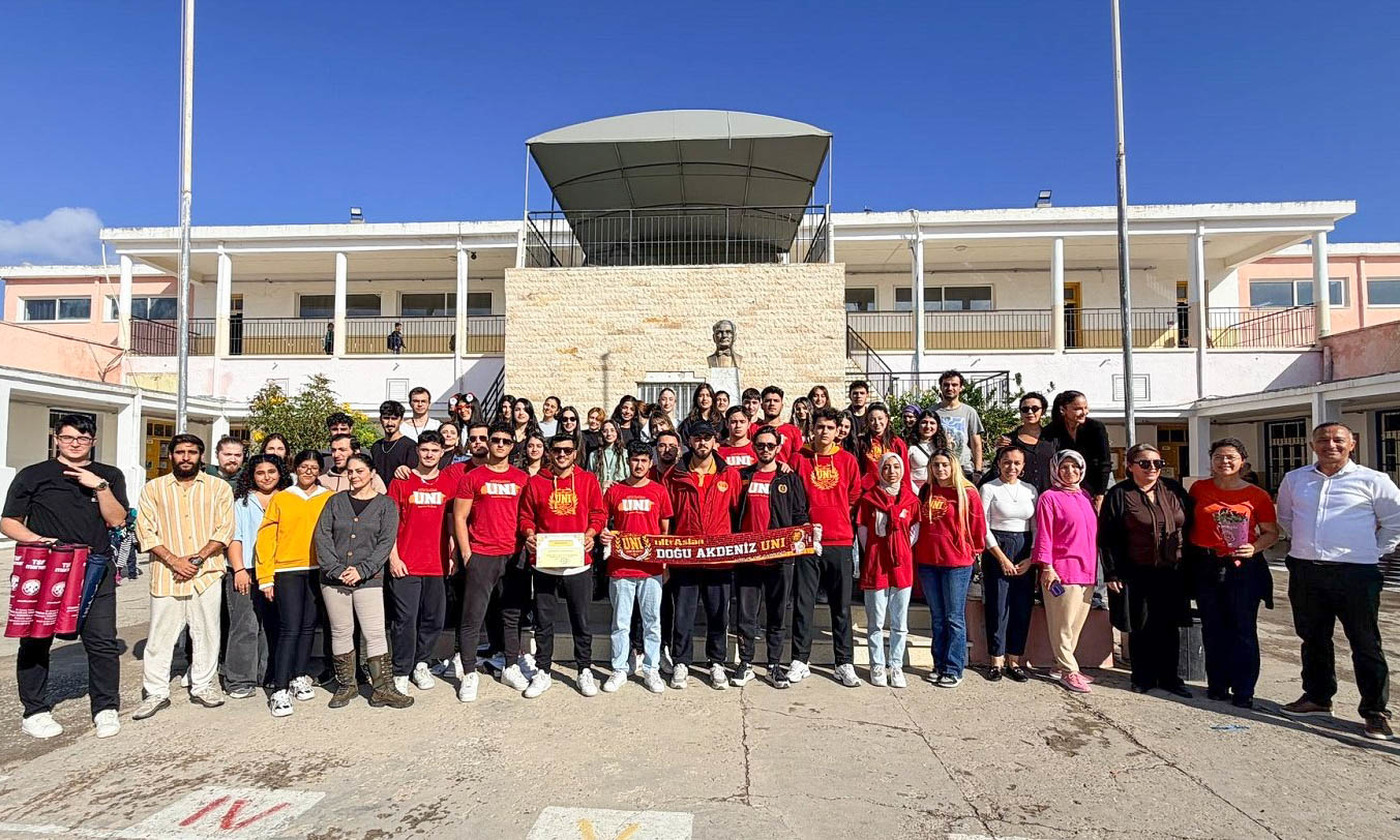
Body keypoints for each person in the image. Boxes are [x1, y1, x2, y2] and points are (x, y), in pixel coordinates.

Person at [4, 415, 129, 740]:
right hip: (46, 567)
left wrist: (99, 486)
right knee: (36, 639)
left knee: (102, 641)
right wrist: (37, 540)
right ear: (56, 439)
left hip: (95, 567)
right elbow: (9, 521)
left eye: (82, 438)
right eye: (68, 437)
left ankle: (105, 707)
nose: (75, 443)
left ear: (93, 441)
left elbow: (117, 520)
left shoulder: (109, 475)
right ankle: (35, 711)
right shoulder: (33, 475)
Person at [1276, 422, 1400, 740]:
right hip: (1306, 570)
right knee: (1313, 638)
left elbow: (1394, 523)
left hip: (1356, 573)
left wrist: (1371, 551)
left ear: (1352, 444)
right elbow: (1286, 518)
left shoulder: (1374, 481)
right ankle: (1318, 697)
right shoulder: (1295, 479)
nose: (1330, 445)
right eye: (1323, 440)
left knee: (1365, 642)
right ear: (1312, 445)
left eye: (1338, 440)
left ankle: (1375, 711)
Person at [131, 434, 235, 720]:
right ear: (171, 455)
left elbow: (225, 529)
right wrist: (174, 560)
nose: (186, 457)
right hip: (167, 574)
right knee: (160, 635)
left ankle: (203, 685)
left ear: (201, 456)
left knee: (207, 632)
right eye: (180, 452)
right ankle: (155, 691)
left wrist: (197, 558)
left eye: (192, 452)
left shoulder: (218, 488)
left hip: (206, 572)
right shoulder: (153, 489)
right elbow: (145, 531)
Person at [1188, 438, 1280, 710]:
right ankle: (1217, 684)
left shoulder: (1257, 495)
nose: (1224, 462)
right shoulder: (1199, 489)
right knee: (1213, 627)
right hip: (1206, 566)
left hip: (1242, 568)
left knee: (1242, 629)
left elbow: (1271, 532)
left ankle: (1244, 688)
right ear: (1211, 461)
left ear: (1243, 462)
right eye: (1218, 457)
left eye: (1230, 457)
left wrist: (1254, 547)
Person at [315, 453, 408, 709]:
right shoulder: (335, 502)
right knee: (341, 630)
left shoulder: (386, 505)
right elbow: (322, 536)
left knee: (374, 632)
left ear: (372, 473)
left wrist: (362, 570)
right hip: (334, 579)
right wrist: (336, 569)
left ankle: (382, 688)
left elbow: (385, 543)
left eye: (360, 471)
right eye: (350, 472)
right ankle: (347, 685)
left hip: (369, 579)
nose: (354, 476)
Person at [1099, 443, 1193, 697]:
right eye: (1145, 463)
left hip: (1172, 570)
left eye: (1157, 463)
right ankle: (1143, 676)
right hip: (1135, 571)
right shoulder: (1119, 494)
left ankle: (1170, 677)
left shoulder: (1173, 489)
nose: (1152, 468)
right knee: (1141, 625)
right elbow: (1107, 537)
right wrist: (1111, 572)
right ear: (1130, 466)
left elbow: (1189, 526)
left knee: (1169, 625)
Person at [519, 434, 607, 698]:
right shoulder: (536, 482)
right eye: (557, 450)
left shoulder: (588, 480)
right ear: (549, 452)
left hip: (578, 564)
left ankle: (584, 668)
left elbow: (598, 513)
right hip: (545, 564)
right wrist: (529, 534)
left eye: (567, 450)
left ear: (575, 453)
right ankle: (543, 670)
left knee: (581, 621)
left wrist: (591, 534)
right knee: (543, 623)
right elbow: (525, 516)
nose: (562, 455)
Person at [454, 422, 532, 699]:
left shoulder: (522, 478)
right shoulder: (473, 477)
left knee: (511, 616)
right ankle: (469, 673)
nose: (499, 445)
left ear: (513, 446)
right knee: (472, 617)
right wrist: (466, 553)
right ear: (488, 443)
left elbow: (529, 516)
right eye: (495, 440)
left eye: (505, 441)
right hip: (482, 554)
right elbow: (460, 517)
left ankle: (510, 666)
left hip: (514, 555)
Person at [256, 450, 334, 717]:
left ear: (320, 470)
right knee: (290, 628)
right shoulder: (282, 498)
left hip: (317, 569)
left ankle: (299, 676)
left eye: (313, 467)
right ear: (295, 469)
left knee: (308, 627)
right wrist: (266, 577)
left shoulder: (328, 497)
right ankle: (280, 688)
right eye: (303, 466)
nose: (308, 471)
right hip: (287, 570)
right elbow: (266, 538)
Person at [665, 422, 741, 690]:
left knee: (718, 614)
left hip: (719, 558)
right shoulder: (675, 475)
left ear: (715, 441)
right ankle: (681, 662)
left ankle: (716, 662)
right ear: (689, 441)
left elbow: (737, 512)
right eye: (697, 438)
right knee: (683, 614)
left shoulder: (729, 474)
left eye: (707, 438)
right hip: (685, 557)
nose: (702, 443)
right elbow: (668, 517)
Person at [790, 407, 862, 688]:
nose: (824, 432)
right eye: (820, 426)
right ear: (813, 428)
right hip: (808, 542)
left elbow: (854, 496)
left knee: (841, 606)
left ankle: (844, 663)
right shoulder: (800, 458)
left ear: (837, 431)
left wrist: (839, 516)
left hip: (840, 540)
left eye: (830, 428)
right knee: (803, 603)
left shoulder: (847, 460)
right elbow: (793, 493)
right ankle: (800, 660)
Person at [734, 426, 809, 688]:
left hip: (780, 558)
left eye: (770, 445)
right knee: (746, 615)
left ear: (778, 448)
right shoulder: (743, 476)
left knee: (777, 614)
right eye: (760, 445)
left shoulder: (789, 477)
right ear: (753, 447)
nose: (765, 449)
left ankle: (774, 665)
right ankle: (745, 663)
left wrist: (802, 538)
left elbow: (800, 514)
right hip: (748, 557)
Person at [600, 440, 674, 693]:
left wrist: (664, 564)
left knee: (652, 621)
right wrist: (603, 534)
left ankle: (651, 669)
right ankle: (620, 668)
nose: (639, 465)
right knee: (621, 622)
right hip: (620, 568)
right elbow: (601, 521)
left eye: (644, 460)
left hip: (651, 569)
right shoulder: (615, 491)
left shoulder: (659, 491)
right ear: (628, 461)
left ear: (650, 463)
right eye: (635, 460)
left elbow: (664, 531)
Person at [386, 431, 454, 697]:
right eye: (424, 450)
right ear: (417, 451)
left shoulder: (448, 482)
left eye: (434, 450)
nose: (429, 455)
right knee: (405, 620)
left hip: (437, 564)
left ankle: (421, 664)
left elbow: (452, 520)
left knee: (434, 619)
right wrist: (393, 557)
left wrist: (452, 554)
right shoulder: (401, 481)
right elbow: (390, 525)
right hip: (406, 563)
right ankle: (401, 670)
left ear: (442, 453)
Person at [913, 450, 986, 688]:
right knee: (937, 617)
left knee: (954, 618)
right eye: (936, 465)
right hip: (928, 561)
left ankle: (953, 668)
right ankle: (939, 664)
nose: (940, 469)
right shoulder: (927, 490)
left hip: (956, 563)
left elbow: (978, 527)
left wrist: (973, 551)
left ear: (953, 466)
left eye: (945, 464)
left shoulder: (967, 492)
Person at [1032, 449, 1100, 693]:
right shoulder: (1049, 498)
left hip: (1087, 570)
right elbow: (1044, 534)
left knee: (1075, 625)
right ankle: (1069, 670)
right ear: (1055, 470)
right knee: (1062, 624)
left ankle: (1061, 665)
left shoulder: (1085, 496)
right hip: (1062, 570)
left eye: (1074, 467)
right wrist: (1047, 567)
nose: (1070, 472)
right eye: (1064, 467)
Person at [225, 454, 289, 700]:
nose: (266, 477)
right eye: (260, 473)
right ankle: (240, 679)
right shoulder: (242, 502)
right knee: (246, 625)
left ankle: (269, 674)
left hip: (279, 570)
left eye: (271, 472)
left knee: (274, 625)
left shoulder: (287, 498)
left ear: (280, 473)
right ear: (252, 475)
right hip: (248, 570)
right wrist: (239, 569)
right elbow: (235, 537)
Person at [857, 452, 919, 689]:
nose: (891, 472)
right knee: (876, 621)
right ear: (880, 471)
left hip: (901, 564)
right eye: (886, 467)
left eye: (896, 467)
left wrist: (898, 549)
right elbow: (863, 531)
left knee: (900, 622)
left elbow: (914, 532)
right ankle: (877, 664)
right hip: (876, 563)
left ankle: (896, 665)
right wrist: (877, 550)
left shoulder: (911, 501)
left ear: (902, 471)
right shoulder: (869, 499)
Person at [978, 447, 1037, 683]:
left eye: (1016, 463)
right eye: (1006, 462)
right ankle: (996, 660)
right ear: (999, 463)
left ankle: (1014, 660)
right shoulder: (989, 488)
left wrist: (1031, 557)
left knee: (1021, 606)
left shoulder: (1030, 490)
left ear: (1023, 466)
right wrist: (1001, 557)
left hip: (1024, 548)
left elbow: (1036, 526)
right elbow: (982, 526)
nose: (1011, 467)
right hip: (997, 548)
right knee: (998, 605)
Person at [1044, 391, 1112, 503]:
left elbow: (1104, 462)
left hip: (1098, 485)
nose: (1084, 412)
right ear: (1063, 410)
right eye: (1078, 409)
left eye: (1086, 407)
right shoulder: (1051, 431)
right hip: (1065, 488)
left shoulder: (1096, 428)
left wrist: (1100, 494)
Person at [995, 392, 1056, 492]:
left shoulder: (1052, 439)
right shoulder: (1008, 440)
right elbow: (998, 469)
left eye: (1035, 408)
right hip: (1019, 495)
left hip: (1048, 495)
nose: (1030, 412)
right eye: (1025, 409)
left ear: (1043, 411)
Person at [933, 371, 985, 481]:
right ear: (941, 387)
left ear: (961, 388)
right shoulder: (932, 412)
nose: (950, 388)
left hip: (964, 468)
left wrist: (978, 470)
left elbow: (976, 443)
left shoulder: (969, 412)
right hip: (940, 468)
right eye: (946, 385)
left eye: (954, 385)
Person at [857, 403, 909, 490]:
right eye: (872, 420)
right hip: (869, 490)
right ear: (867, 421)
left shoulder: (897, 443)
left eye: (880, 418)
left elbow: (905, 472)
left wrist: (905, 492)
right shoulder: (861, 442)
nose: (877, 423)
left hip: (892, 489)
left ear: (887, 419)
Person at [321, 434, 388, 494]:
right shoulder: (323, 481)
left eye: (342, 450)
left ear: (356, 452)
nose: (336, 455)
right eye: (333, 450)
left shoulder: (371, 478)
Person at [370, 400, 417, 484]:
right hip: (378, 491)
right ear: (380, 419)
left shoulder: (410, 446)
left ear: (401, 420)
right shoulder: (376, 446)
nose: (390, 423)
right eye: (386, 418)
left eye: (394, 418)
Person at [758, 386, 804, 464]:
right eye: (768, 401)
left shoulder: (793, 431)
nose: (772, 404)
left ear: (782, 406)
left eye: (776, 401)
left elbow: (798, 457)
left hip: (785, 471)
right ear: (762, 405)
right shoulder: (754, 429)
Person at [905, 410, 947, 491]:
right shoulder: (909, 446)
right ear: (918, 425)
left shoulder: (941, 446)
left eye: (932, 423)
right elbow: (905, 473)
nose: (928, 426)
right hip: (915, 489)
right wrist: (917, 492)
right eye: (924, 422)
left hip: (938, 488)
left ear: (937, 426)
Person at [589, 420, 629, 491]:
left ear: (617, 432)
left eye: (612, 430)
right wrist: (601, 485)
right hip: (601, 493)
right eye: (605, 431)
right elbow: (590, 480)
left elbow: (629, 477)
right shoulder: (593, 455)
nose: (609, 434)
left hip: (621, 492)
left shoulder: (625, 454)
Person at [718, 405, 757, 470]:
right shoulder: (718, 450)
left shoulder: (757, 449)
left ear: (749, 424)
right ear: (726, 424)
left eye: (742, 422)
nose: (738, 426)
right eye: (733, 422)